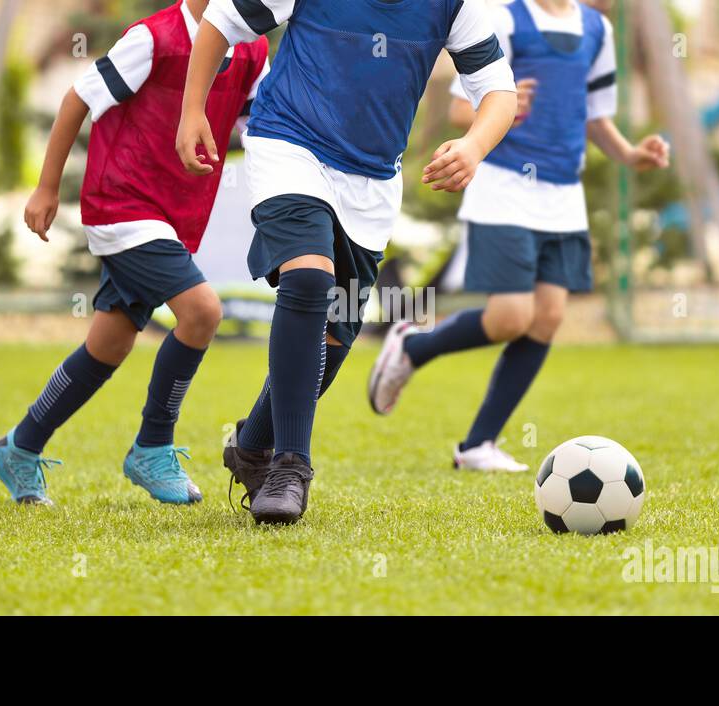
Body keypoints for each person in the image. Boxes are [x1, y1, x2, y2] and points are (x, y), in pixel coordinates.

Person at [178, 0, 519, 524]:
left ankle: (252, 444)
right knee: (310, 279)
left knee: (335, 340)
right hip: (286, 144)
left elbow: (498, 89)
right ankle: (290, 466)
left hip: (372, 182)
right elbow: (222, 20)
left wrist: (474, 147)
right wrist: (193, 110)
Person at [0, 0, 269, 506]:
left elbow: (261, 119)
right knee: (203, 311)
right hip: (121, 204)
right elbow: (77, 99)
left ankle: (19, 447)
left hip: (176, 218)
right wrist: (47, 189)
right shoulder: (153, 39)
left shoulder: (251, 47)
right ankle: (152, 445)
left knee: (109, 345)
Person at [367, 0, 670, 472]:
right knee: (510, 316)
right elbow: (460, 110)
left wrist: (630, 154)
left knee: (546, 318)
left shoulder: (598, 31)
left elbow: (594, 117)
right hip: (504, 188)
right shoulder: (505, 19)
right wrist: (508, 109)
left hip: (564, 197)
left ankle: (476, 446)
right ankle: (412, 346)